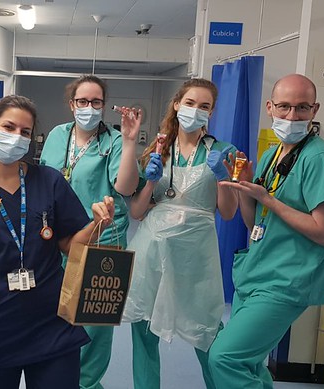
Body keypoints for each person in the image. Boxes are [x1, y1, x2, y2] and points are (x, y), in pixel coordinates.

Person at [0, 95, 115, 388]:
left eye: (25, 132)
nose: (16, 137)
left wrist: (97, 225)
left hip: (52, 323)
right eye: (8, 127)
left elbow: (69, 246)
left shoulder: (48, 181)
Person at [208, 74, 324, 388]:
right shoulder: (274, 154)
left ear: (315, 110)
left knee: (225, 357)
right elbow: (252, 222)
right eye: (284, 107)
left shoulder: (320, 159)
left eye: (302, 108)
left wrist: (268, 200)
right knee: (251, 365)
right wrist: (247, 189)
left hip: (287, 279)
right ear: (270, 107)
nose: (292, 116)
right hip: (259, 272)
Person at [123, 78, 238, 389]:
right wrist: (149, 182)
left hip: (196, 256)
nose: (195, 111)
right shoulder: (158, 150)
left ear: (212, 113)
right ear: (177, 104)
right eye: (190, 103)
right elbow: (136, 212)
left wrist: (223, 178)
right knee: (144, 334)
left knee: (207, 333)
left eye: (204, 106)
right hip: (152, 251)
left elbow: (227, 213)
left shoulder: (224, 153)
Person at [38, 74, 141, 389]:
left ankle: (86, 385)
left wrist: (129, 143)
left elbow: (125, 188)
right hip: (59, 240)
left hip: (102, 240)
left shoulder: (111, 140)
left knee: (94, 327)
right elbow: (45, 179)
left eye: (96, 102)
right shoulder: (58, 135)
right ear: (71, 105)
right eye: (82, 101)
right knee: (56, 317)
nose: (89, 107)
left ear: (104, 106)